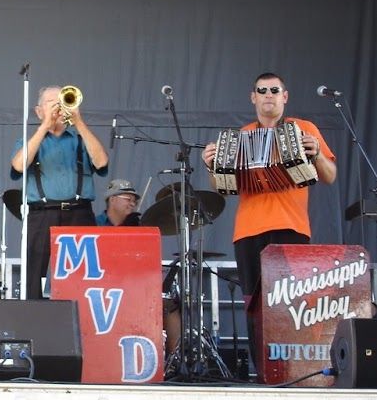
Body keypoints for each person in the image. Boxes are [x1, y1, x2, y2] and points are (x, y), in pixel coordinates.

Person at [202, 72, 337, 366]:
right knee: (254, 303)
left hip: (291, 227)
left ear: (284, 96)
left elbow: (329, 175)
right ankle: (262, 369)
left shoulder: (303, 129)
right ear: (253, 97)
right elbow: (226, 188)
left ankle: (293, 368)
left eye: (274, 90)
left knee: (291, 302)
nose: (268, 95)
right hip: (249, 230)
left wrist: (315, 156)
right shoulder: (241, 136)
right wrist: (212, 167)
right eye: (261, 90)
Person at [10, 86, 109, 300]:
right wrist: (45, 126)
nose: (57, 106)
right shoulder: (29, 141)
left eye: (61, 100)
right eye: (51, 102)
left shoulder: (81, 138)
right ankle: (34, 322)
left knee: (84, 275)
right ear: (38, 111)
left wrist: (79, 122)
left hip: (79, 213)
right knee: (34, 273)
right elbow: (18, 165)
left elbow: (101, 162)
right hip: (41, 214)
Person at [96, 178, 181, 357]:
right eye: (128, 198)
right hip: (102, 291)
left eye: (134, 200)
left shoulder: (138, 225)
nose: (133, 203)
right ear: (112, 199)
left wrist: (138, 233)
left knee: (171, 306)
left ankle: (175, 361)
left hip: (133, 287)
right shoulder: (94, 224)